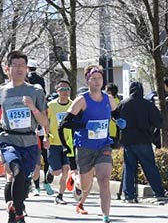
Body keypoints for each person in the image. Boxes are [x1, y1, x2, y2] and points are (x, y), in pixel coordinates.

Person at [0, 50, 48, 223]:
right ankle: (20, 215)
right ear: (7, 69)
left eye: (23, 66)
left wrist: (32, 108)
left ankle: (13, 212)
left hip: (29, 140)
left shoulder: (35, 91)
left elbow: (45, 122)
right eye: (16, 65)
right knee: (17, 172)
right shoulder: (1, 90)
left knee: (24, 180)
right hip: (8, 139)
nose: (20, 69)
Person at [58, 65, 118, 222]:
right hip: (84, 146)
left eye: (99, 78)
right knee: (86, 185)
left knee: (104, 180)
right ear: (87, 81)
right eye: (94, 79)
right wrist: (86, 126)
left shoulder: (109, 99)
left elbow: (116, 114)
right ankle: (76, 180)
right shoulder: (81, 100)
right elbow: (64, 124)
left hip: (103, 145)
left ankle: (106, 216)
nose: (97, 82)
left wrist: (120, 121)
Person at [116, 81, 166, 204]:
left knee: (129, 168)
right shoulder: (147, 105)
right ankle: (159, 193)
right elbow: (159, 122)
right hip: (144, 140)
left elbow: (116, 119)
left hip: (128, 140)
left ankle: (129, 196)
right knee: (150, 167)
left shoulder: (123, 104)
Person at [47, 81, 75, 205]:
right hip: (54, 141)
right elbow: (45, 122)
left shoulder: (74, 105)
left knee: (65, 170)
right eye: (62, 89)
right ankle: (50, 171)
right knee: (56, 172)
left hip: (68, 143)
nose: (65, 92)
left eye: (67, 89)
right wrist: (45, 136)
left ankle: (60, 195)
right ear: (57, 91)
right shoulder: (51, 106)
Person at [105, 83, 122, 149]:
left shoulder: (109, 102)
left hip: (111, 131)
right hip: (116, 132)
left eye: (106, 91)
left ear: (109, 92)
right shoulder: (119, 101)